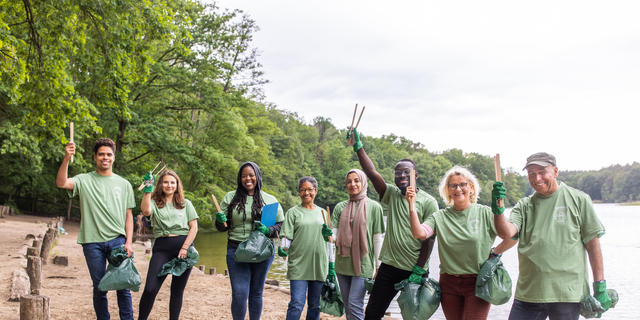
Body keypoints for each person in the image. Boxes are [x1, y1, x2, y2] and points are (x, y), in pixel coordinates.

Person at [493, 152, 611, 320]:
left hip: (567, 294)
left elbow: (593, 245)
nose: (537, 178)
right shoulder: (524, 205)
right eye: (531, 174)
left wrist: (600, 286)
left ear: (555, 172)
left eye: (542, 172)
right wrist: (498, 211)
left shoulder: (579, 199)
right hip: (529, 293)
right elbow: (507, 233)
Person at [347, 128, 439, 320]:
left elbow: (429, 239)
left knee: (414, 316)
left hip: (415, 269)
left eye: (406, 172)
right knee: (372, 313)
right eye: (397, 173)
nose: (402, 175)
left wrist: (419, 269)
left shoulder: (429, 201)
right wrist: (358, 147)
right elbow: (371, 173)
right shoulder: (392, 195)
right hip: (389, 267)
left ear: (416, 175)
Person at [405, 165, 517, 320]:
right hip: (449, 283)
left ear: (471, 188)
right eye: (453, 186)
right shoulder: (439, 216)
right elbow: (419, 233)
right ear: (448, 190)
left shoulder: (485, 213)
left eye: (462, 184)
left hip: (478, 282)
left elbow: (512, 236)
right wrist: (412, 205)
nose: (458, 189)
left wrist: (495, 252)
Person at [56, 138, 135, 320]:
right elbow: (61, 183)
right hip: (92, 242)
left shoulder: (124, 184)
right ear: (95, 157)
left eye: (108, 154)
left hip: (118, 241)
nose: (104, 157)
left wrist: (129, 242)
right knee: (99, 287)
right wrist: (66, 158)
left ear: (114, 158)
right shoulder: (84, 180)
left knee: (123, 286)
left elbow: (128, 215)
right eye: (101, 154)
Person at [215, 162, 284, 320]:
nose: (248, 178)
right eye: (244, 175)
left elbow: (280, 225)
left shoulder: (270, 199)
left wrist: (269, 230)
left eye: (251, 175)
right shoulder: (230, 197)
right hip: (236, 250)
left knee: (256, 292)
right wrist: (220, 221)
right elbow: (222, 228)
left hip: (262, 251)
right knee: (239, 293)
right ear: (240, 178)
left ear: (257, 176)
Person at [138, 170, 198, 320]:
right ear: (160, 184)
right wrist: (147, 189)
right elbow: (145, 211)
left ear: (177, 185)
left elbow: (194, 227)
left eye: (173, 182)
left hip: (183, 249)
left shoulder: (186, 204)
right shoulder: (154, 202)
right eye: (165, 182)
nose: (169, 185)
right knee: (150, 289)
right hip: (162, 248)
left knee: (177, 291)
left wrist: (185, 248)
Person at [331, 169, 385, 320]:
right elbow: (334, 236)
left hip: (364, 264)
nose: (352, 184)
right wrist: (328, 235)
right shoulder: (340, 207)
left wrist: (379, 266)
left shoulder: (374, 207)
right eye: (349, 181)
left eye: (356, 180)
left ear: (363, 182)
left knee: (355, 304)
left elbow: (377, 239)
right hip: (342, 264)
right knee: (348, 307)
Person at [279, 176, 332, 320]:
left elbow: (330, 241)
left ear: (316, 191)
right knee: (296, 303)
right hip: (299, 264)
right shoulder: (292, 212)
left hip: (319, 265)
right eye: (303, 190)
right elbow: (286, 236)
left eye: (309, 189)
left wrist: (331, 265)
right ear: (299, 192)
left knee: (315, 305)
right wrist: (283, 247)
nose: (306, 193)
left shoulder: (324, 213)